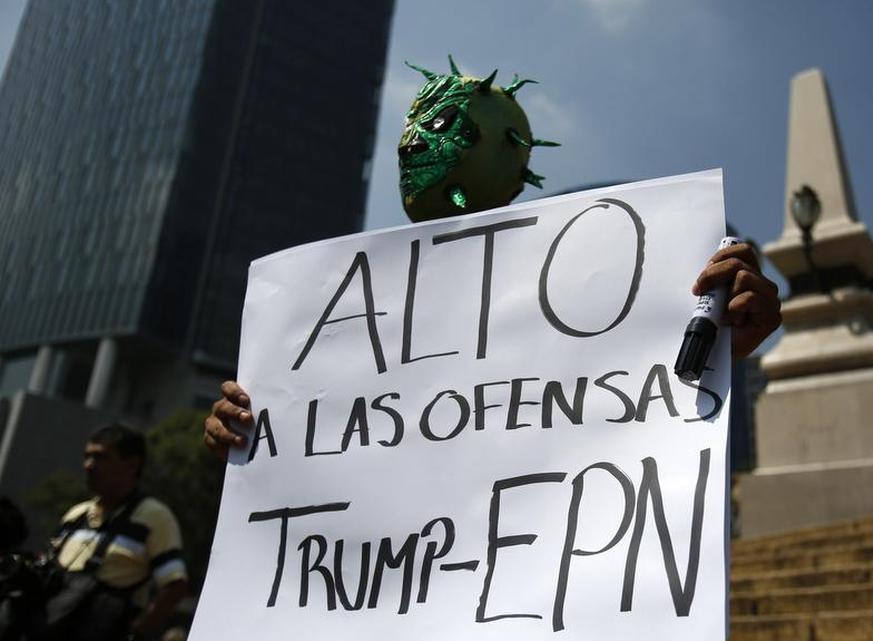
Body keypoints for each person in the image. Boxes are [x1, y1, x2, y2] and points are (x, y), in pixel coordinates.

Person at [203, 58, 783, 456]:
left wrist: (720, 341)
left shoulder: (582, 277)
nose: (412, 142)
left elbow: (628, 401)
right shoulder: (349, 307)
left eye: (439, 124)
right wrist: (250, 428)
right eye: (411, 125)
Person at [49, 425, 188, 640]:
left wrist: (137, 633)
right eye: (86, 456)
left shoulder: (154, 516)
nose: (88, 465)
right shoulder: (76, 515)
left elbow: (175, 585)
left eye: (100, 457)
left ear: (132, 465)